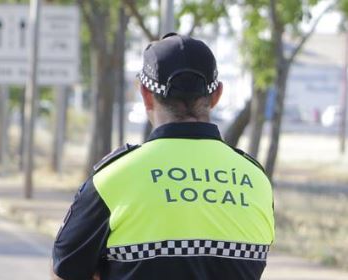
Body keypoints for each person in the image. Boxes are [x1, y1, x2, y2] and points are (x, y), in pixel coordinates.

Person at [52, 33, 275, 280]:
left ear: (146, 94)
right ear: (216, 95)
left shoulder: (112, 180)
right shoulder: (257, 181)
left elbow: (64, 272)